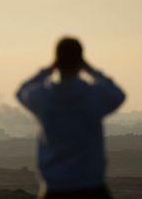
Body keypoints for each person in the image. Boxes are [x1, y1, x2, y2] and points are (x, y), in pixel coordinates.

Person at [16, 37, 126, 199]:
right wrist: (91, 70)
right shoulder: (93, 97)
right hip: (92, 186)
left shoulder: (43, 98)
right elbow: (118, 94)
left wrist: (47, 70)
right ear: (80, 62)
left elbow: (22, 91)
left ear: (57, 61)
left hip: (55, 188)